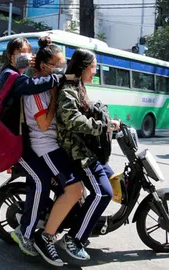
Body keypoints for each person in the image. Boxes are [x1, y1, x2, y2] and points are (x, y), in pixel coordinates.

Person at [0, 37, 71, 259]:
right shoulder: (11, 77)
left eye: (29, 52)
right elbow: (31, 85)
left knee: (43, 179)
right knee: (41, 180)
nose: (26, 55)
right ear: (10, 55)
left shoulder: (19, 74)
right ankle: (25, 232)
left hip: (25, 140)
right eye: (21, 52)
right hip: (15, 142)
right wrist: (57, 76)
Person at [21, 36, 84, 266]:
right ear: (45, 66)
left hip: (55, 144)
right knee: (75, 190)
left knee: (78, 186)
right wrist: (56, 93)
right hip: (45, 146)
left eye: (63, 63)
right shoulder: (37, 90)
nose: (61, 68)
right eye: (57, 64)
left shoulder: (49, 84)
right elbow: (45, 125)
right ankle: (45, 237)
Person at [57, 48, 120, 260]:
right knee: (103, 193)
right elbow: (73, 120)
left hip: (86, 148)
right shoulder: (68, 89)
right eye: (93, 67)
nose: (95, 72)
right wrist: (103, 126)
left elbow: (88, 110)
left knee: (111, 177)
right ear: (83, 67)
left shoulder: (78, 87)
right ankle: (74, 238)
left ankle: (86, 219)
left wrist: (108, 120)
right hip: (76, 152)